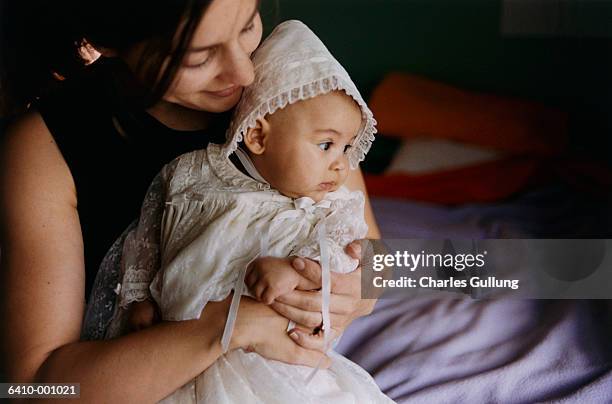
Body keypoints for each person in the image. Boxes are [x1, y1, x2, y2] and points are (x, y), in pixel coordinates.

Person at [0, 1, 380, 402]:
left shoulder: (292, 90)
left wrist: (363, 289)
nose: (245, 73)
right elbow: (31, 387)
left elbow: (392, 261)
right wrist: (223, 327)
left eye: (248, 26)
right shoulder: (43, 149)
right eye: (198, 56)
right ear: (108, 43)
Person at [110, 20, 390, 403]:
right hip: (174, 354)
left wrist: (297, 273)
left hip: (273, 361)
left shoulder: (324, 198)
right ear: (258, 135)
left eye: (247, 25)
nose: (343, 165)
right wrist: (140, 297)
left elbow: (353, 254)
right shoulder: (190, 172)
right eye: (327, 145)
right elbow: (149, 233)